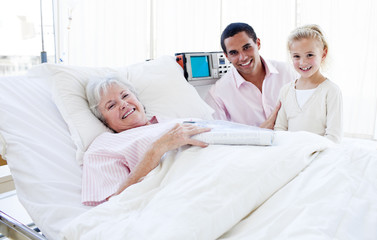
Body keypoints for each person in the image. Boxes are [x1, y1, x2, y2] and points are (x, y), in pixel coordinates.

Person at [82, 78, 211, 206]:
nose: (123, 104)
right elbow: (114, 204)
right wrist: (156, 149)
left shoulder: (171, 121)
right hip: (193, 185)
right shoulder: (103, 146)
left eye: (125, 95)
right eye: (111, 105)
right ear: (104, 121)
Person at [205, 22, 298, 129]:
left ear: (258, 43)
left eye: (246, 47)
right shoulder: (218, 94)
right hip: (252, 146)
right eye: (234, 53)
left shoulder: (287, 71)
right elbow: (218, 137)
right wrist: (260, 132)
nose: (243, 57)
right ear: (227, 56)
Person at [274, 24, 343, 143]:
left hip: (319, 156)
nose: (303, 62)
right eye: (296, 56)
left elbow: (333, 137)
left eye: (310, 55)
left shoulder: (331, 91)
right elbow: (280, 129)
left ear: (323, 54)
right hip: (290, 153)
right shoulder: (285, 91)